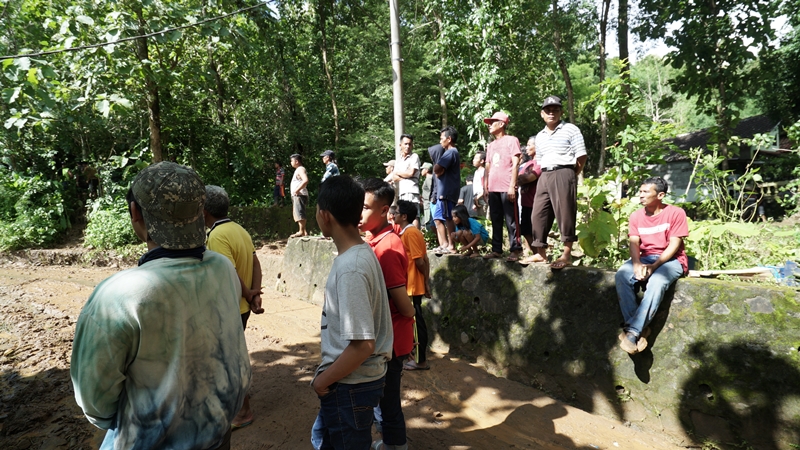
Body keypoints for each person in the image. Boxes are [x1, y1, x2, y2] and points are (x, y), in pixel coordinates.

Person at [71, 162, 250, 450]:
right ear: (199, 213)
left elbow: (95, 399)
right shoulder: (222, 267)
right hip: (217, 433)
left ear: (135, 214)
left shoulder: (119, 294)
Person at [310, 175, 393, 450]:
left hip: (350, 385)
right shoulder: (360, 253)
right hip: (350, 381)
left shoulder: (351, 269)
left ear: (324, 215)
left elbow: (362, 345)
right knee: (323, 439)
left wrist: (323, 380)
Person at [359, 178, 415, 450]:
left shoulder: (387, 248)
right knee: (383, 396)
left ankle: (395, 444)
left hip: (391, 339)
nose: (359, 214)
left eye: (366, 208)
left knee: (388, 398)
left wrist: (412, 311)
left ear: (384, 211)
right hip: (386, 337)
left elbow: (402, 304)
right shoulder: (375, 239)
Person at [204, 185, 265, 429]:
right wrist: (254, 294)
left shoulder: (216, 236)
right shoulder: (239, 229)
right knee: (231, 355)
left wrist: (248, 292)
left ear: (205, 210)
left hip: (229, 307)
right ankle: (235, 404)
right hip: (242, 307)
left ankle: (243, 411)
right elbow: (255, 262)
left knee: (229, 359)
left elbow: (227, 270)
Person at [616, 177, 689, 355]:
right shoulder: (636, 216)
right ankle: (639, 329)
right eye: (640, 191)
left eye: (645, 192)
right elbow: (634, 242)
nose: (640, 195)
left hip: (671, 260)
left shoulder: (675, 213)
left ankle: (632, 332)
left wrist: (654, 266)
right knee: (621, 276)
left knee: (657, 281)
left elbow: (674, 244)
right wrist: (636, 264)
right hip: (644, 258)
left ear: (660, 195)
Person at [531, 95, 588, 270]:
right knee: (538, 214)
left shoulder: (570, 129)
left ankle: (566, 254)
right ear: (542, 114)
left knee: (565, 213)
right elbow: (539, 160)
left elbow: (582, 155)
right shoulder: (539, 136)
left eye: (555, 110)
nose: (551, 113)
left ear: (561, 112)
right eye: (548, 110)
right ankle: (540, 252)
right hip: (545, 174)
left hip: (564, 171)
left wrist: (571, 174)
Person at [394, 200, 432, 371]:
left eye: (396, 212)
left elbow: (419, 260)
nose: (393, 214)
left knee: (416, 322)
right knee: (413, 321)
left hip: (412, 285)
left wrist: (424, 281)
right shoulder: (407, 233)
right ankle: (414, 356)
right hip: (410, 284)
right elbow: (425, 259)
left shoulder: (410, 233)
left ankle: (420, 360)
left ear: (404, 216)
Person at [482, 111, 523, 262]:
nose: (489, 126)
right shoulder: (491, 145)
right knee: (496, 219)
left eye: (492, 123)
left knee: (511, 219)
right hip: (493, 188)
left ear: (501, 124)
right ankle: (497, 249)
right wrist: (486, 187)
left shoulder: (511, 140)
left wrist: (512, 185)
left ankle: (515, 250)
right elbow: (488, 167)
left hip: (507, 186)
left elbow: (516, 163)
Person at [432, 126, 461, 254]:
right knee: (438, 218)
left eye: (442, 139)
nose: (440, 142)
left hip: (448, 192)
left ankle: (451, 246)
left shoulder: (451, 152)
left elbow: (437, 168)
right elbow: (438, 170)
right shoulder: (448, 153)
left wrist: (439, 170)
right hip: (442, 193)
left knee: (448, 218)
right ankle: (444, 244)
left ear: (449, 139)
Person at [517, 137, 542, 263]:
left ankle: (540, 255)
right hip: (525, 203)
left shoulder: (540, 163)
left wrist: (520, 178)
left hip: (535, 203)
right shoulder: (527, 164)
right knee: (526, 230)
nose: (526, 148)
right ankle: (536, 254)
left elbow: (529, 178)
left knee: (536, 231)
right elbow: (520, 177)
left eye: (529, 145)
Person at [392, 134, 422, 227]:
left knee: (414, 215)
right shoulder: (398, 160)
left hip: (412, 190)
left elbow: (411, 173)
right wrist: (406, 174)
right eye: (405, 144)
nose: (408, 146)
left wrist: (399, 173)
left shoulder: (414, 157)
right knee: (403, 215)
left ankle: (415, 237)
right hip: (402, 192)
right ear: (400, 145)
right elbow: (394, 177)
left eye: (410, 144)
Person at [290, 154, 309, 238]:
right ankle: (304, 231)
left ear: (296, 161)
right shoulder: (299, 169)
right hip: (299, 194)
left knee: (299, 212)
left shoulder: (300, 169)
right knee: (299, 211)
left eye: (291, 161)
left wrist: (297, 190)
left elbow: (305, 180)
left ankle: (301, 231)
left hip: (299, 194)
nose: (291, 162)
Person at [472, 152, 487, 218]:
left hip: (483, 199)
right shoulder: (476, 172)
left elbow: (486, 187)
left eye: (475, 158)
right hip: (478, 198)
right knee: (480, 218)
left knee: (485, 219)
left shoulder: (484, 171)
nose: (473, 160)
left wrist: (477, 198)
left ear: (482, 161)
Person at [420, 162, 434, 232]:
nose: (421, 171)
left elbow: (432, 190)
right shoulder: (429, 178)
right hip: (426, 203)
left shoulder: (429, 178)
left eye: (422, 169)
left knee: (428, 221)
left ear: (427, 170)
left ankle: (431, 237)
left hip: (428, 203)